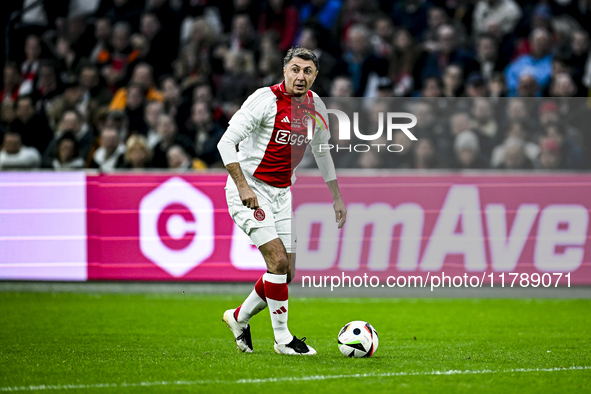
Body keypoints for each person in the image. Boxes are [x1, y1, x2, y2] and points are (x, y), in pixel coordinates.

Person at [217, 46, 347, 355]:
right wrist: (243, 187)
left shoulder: (316, 106)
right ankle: (283, 339)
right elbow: (226, 143)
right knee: (276, 262)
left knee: (286, 272)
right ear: (284, 71)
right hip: (249, 190)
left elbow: (322, 151)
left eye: (307, 71)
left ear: (315, 76)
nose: (300, 77)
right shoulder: (264, 100)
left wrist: (337, 198)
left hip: (281, 194)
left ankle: (239, 317)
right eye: (295, 70)